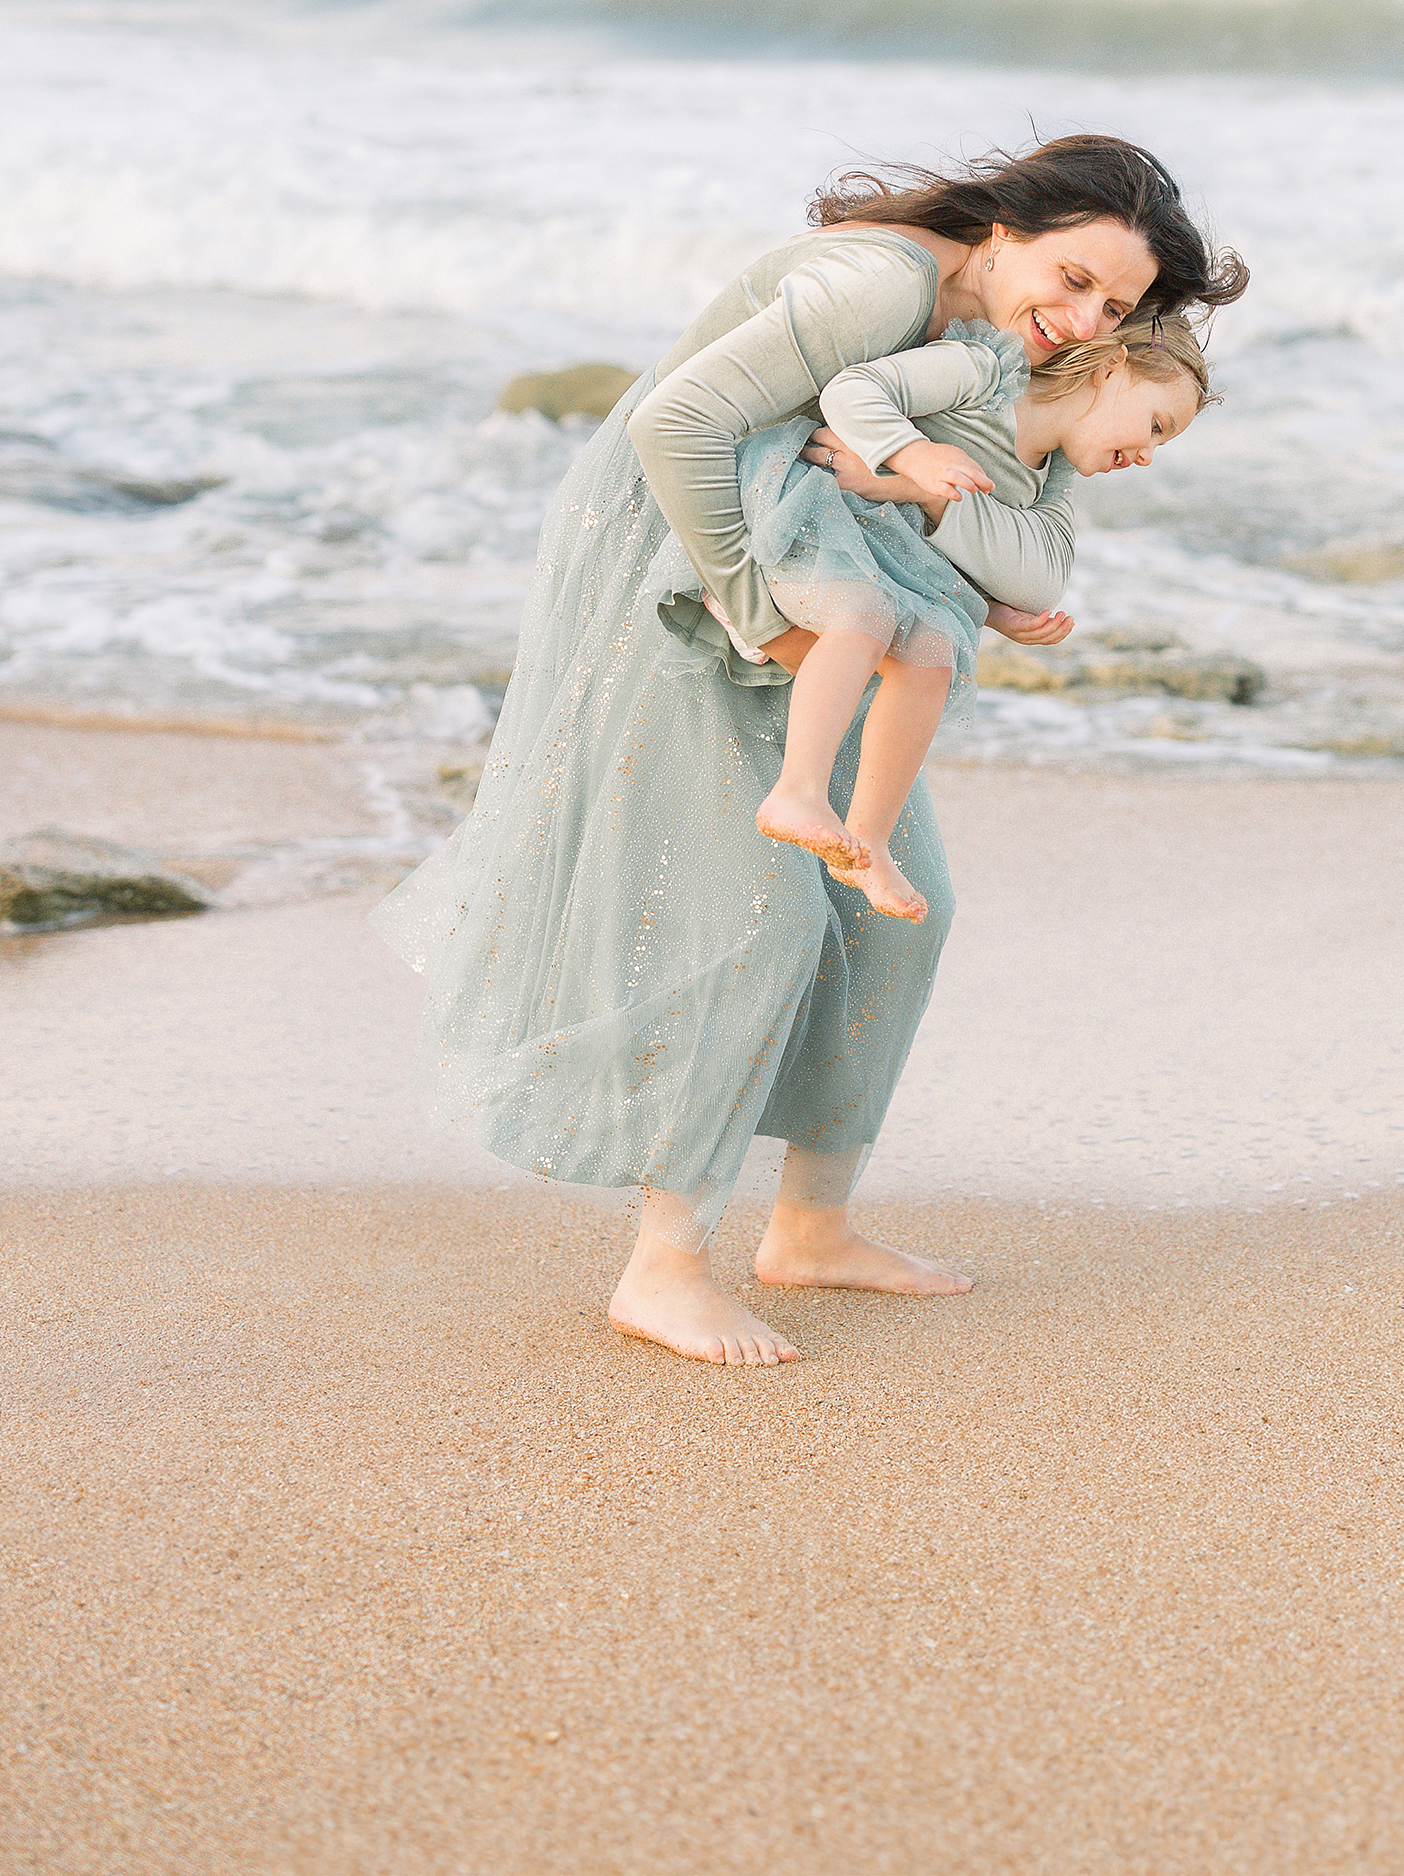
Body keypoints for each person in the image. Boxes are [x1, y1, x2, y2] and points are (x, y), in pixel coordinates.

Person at [371, 135, 1247, 1367]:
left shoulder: (1001, 352)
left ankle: (812, 1230)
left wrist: (958, 558)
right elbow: (673, 424)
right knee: (746, 915)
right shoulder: (881, 288)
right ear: (1007, 231)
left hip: (818, 576)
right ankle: (663, 1270)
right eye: (1074, 277)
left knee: (908, 908)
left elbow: (982, 508)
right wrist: (752, 610)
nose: (1083, 315)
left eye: (1114, 305)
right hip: (680, 560)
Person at [737, 314, 1214, 921]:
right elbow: (854, 393)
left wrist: (984, 606)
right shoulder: (988, 373)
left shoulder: (1050, 476)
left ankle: (868, 842)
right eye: (1155, 425)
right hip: (817, 505)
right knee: (865, 615)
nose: (1146, 455)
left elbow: (1029, 576)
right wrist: (909, 458)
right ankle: (797, 790)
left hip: (887, 544)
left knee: (934, 653)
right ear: (1111, 366)